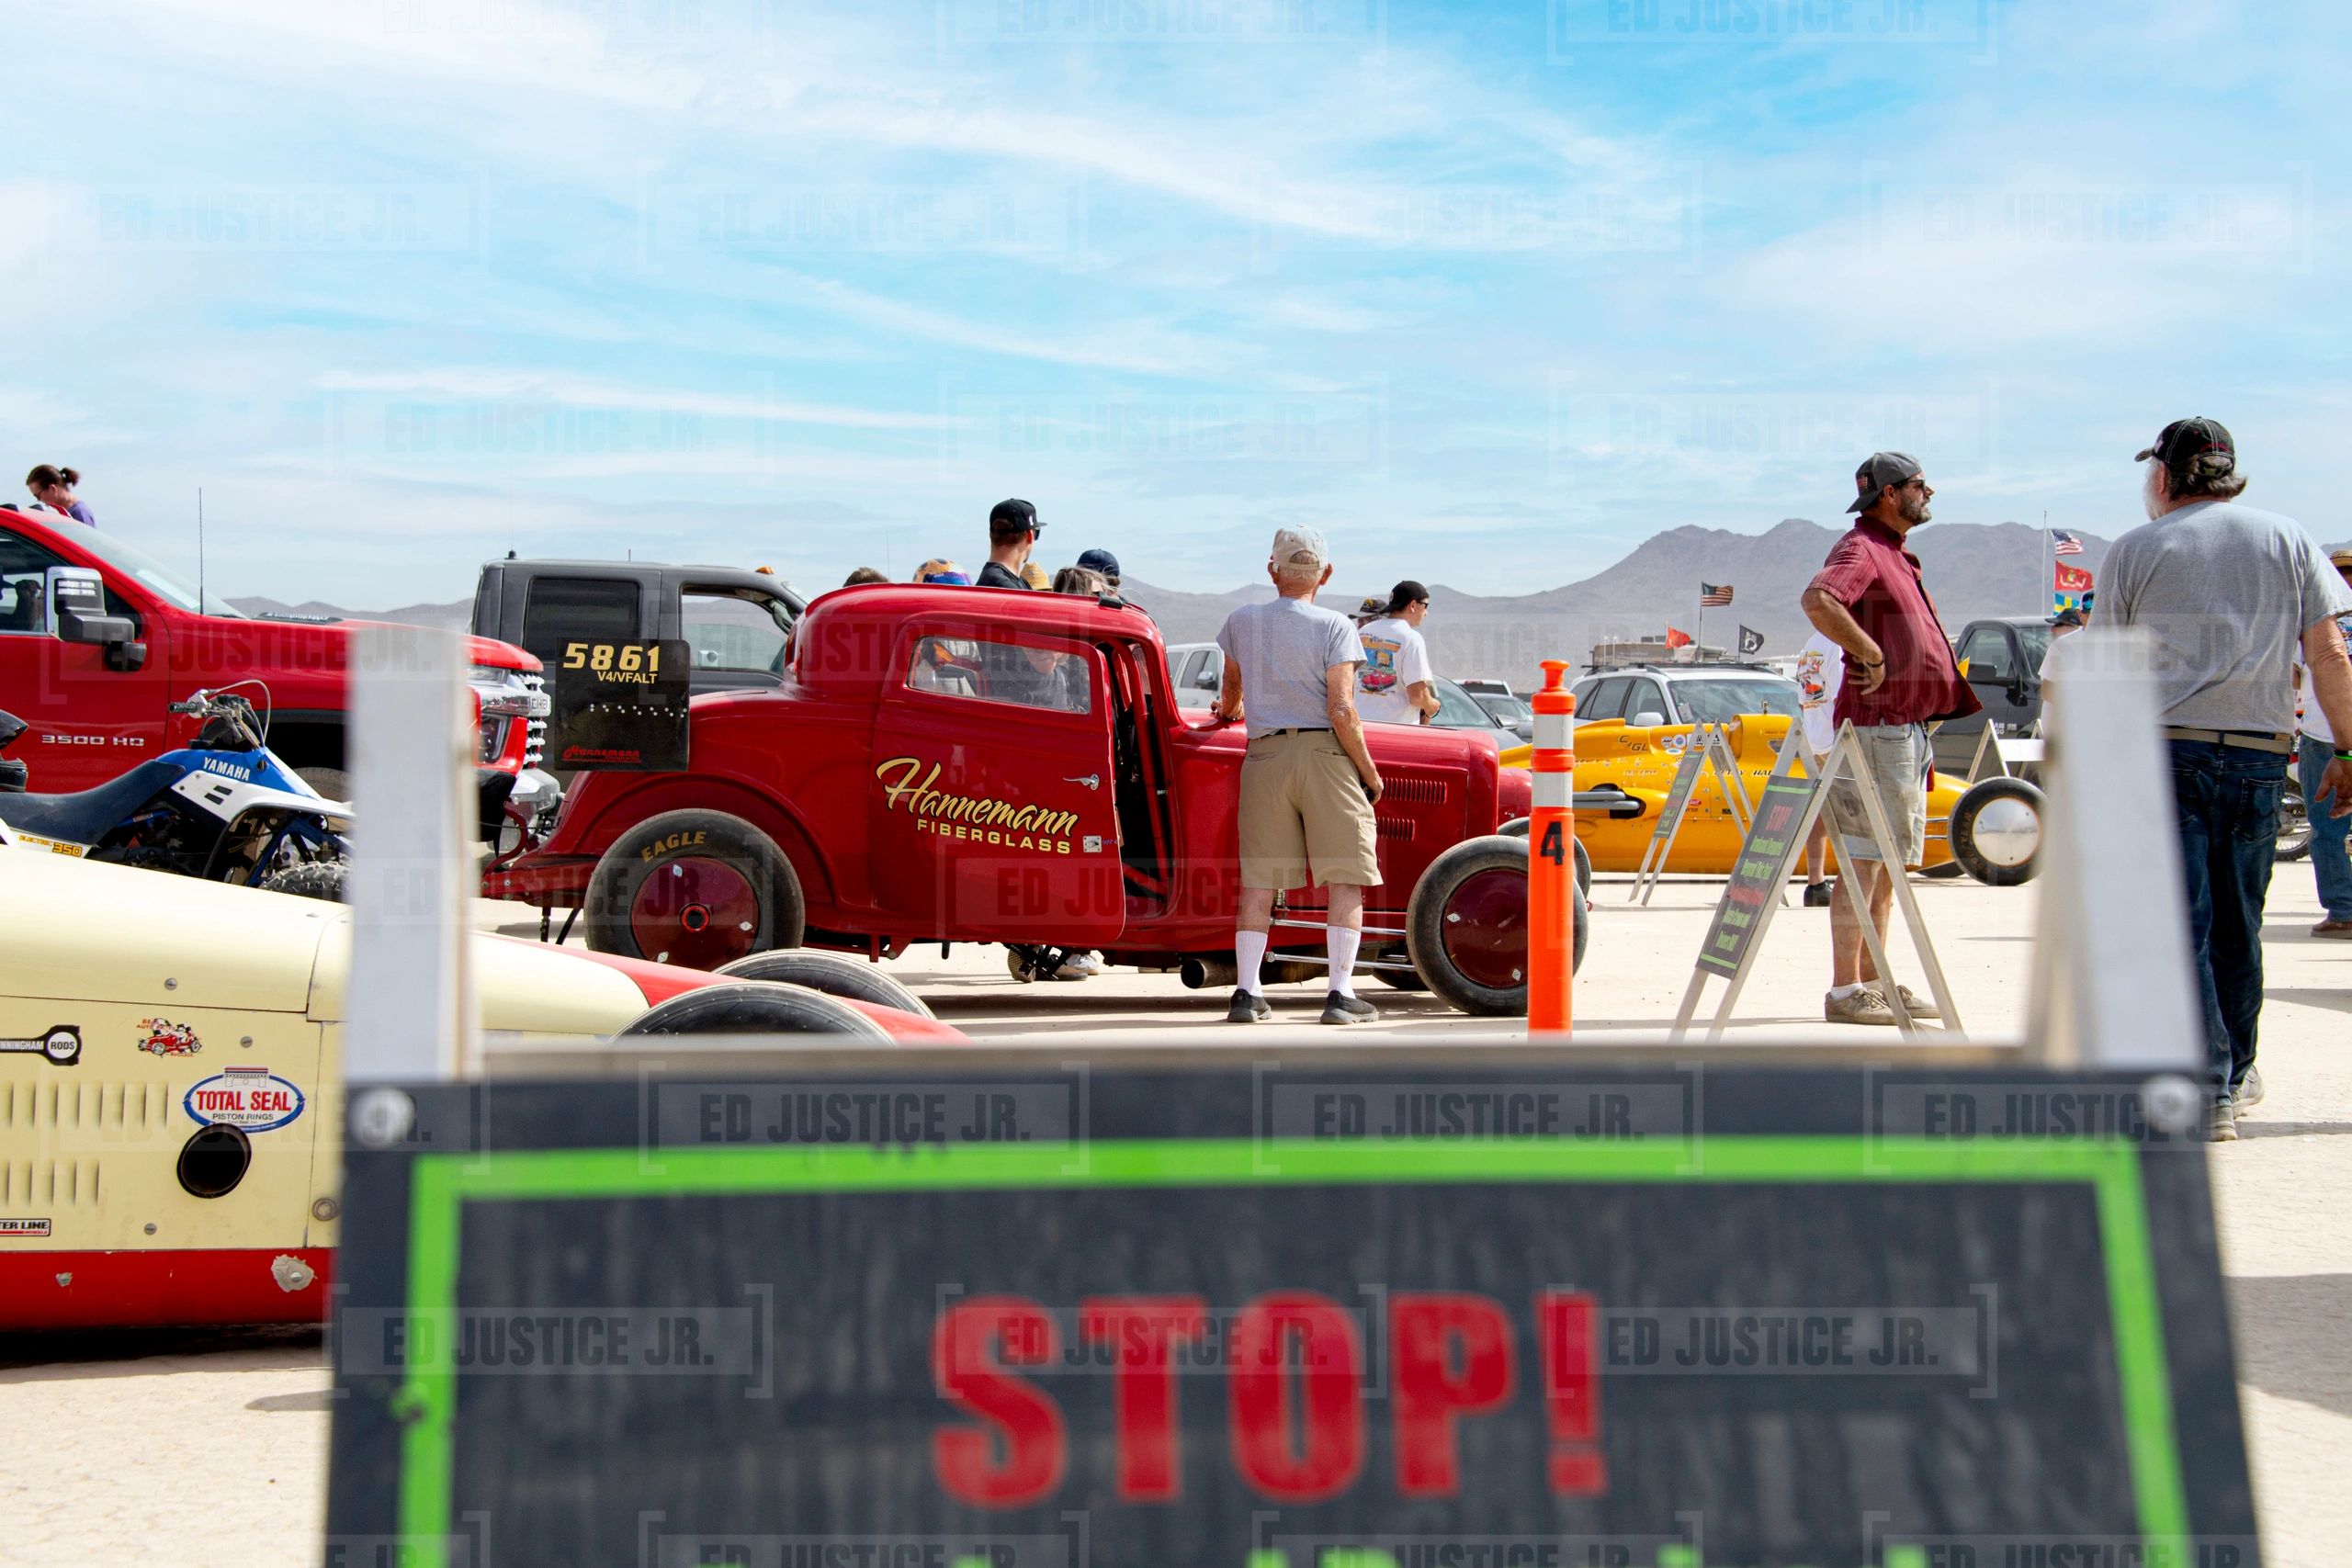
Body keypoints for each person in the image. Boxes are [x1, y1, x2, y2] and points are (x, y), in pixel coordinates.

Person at [2102, 419, 2352, 1139]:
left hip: (2163, 754)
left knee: (2184, 923)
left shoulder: (2134, 550)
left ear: (2165, 476)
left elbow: (2108, 671)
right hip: (2257, 755)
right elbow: (2329, 652)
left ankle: (2208, 1086)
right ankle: (2235, 1075)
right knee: (2239, 923)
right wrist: (2350, 749)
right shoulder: (2288, 538)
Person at [1799, 451, 1980, 1026]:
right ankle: (1846, 989)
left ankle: (1873, 978)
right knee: (1866, 864)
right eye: (1920, 486)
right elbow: (1818, 599)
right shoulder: (1861, 548)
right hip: (1880, 732)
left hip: (1903, 732)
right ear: (1889, 494)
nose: (1930, 493)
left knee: (1886, 868)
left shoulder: (1893, 553)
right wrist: (1869, 652)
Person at [1212, 525, 1385, 1025]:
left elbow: (1231, 688)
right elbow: (1342, 709)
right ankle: (1340, 993)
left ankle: (1246, 991)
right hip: (1326, 757)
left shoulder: (1241, 621)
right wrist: (1368, 771)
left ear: (1273, 570)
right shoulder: (1335, 626)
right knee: (1345, 877)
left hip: (1263, 755)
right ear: (1325, 574)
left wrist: (1228, 711)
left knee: (1259, 881)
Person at [2292, 544, 2352, 939]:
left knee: (2327, 828)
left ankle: (2344, 910)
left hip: (2322, 733)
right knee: (2326, 827)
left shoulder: (2312, 621)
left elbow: (2294, 676)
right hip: (2321, 734)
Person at [1792, 628, 1843, 906]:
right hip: (1837, 737)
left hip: (1816, 736)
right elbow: (1843, 693)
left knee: (1823, 809)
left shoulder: (1810, 645)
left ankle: (1816, 880)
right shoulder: (1839, 645)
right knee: (1855, 811)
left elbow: (1804, 698)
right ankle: (1855, 882)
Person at [1353, 581, 1440, 725]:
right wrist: (1432, 707)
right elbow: (1417, 695)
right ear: (1413, 605)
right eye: (1425, 606)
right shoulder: (1411, 638)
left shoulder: (1363, 633)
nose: (1426, 613)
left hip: (1362, 728)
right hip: (1396, 732)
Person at [977, 499, 1041, 590]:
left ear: (991, 534)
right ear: (1030, 536)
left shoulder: (992, 580)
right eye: (1036, 533)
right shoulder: (1007, 588)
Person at [22, 464, 93, 525]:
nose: (39, 500)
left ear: (52, 489)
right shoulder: (61, 514)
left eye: (37, 496)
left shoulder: (80, 515)